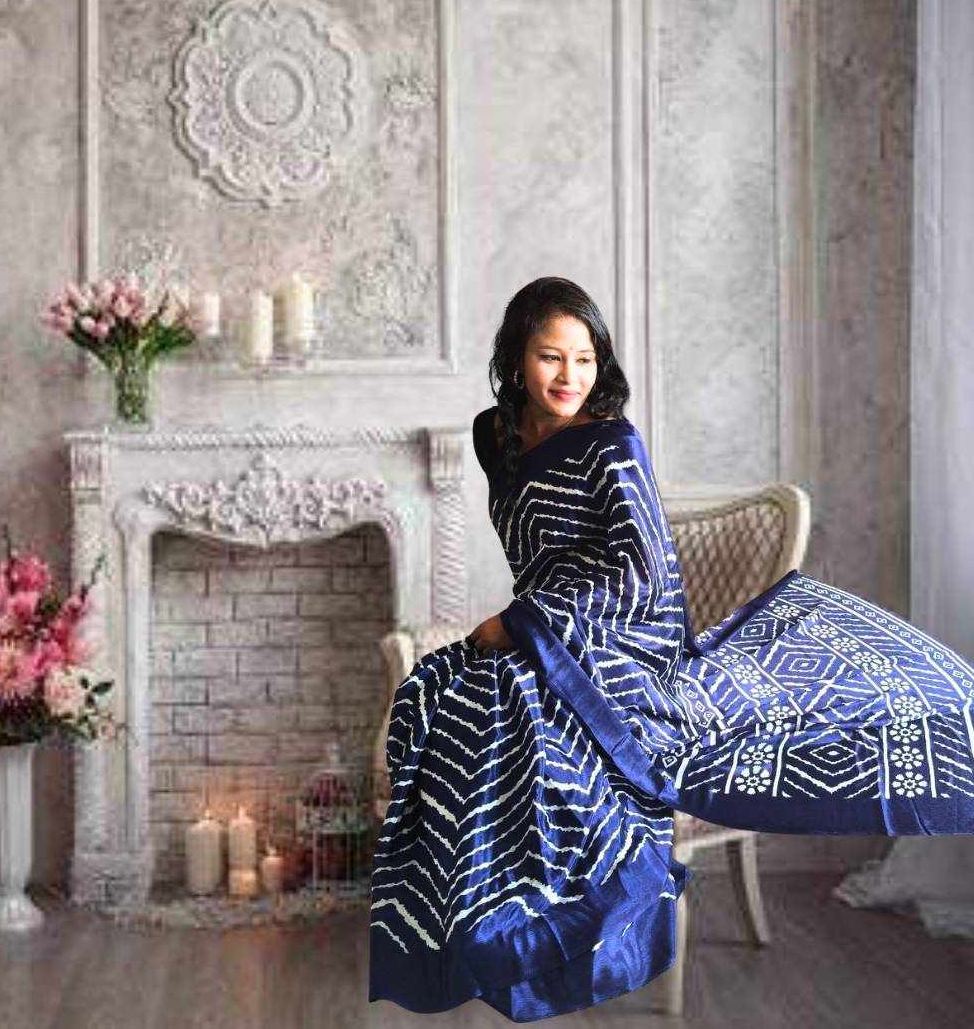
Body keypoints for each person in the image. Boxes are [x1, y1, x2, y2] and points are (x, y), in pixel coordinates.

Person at [368, 276, 974, 1022]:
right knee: (437, 689)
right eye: (550, 357)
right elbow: (533, 551)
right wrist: (519, 629)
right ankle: (464, 924)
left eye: (585, 359)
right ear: (516, 358)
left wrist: (523, 623)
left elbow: (643, 572)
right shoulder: (494, 435)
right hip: (542, 631)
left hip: (615, 637)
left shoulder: (611, 444)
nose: (568, 376)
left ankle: (537, 940)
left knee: (515, 703)